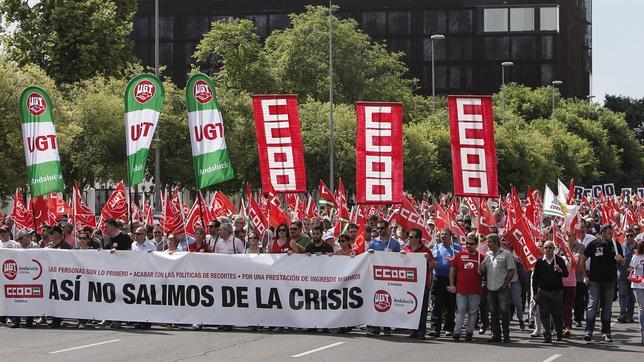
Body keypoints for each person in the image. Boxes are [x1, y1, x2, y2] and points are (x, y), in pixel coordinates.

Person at [580, 224, 624, 342]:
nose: (611, 234)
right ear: (603, 232)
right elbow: (582, 259)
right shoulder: (594, 244)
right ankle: (588, 331)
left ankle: (606, 332)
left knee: (607, 308)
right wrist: (584, 275)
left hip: (609, 281)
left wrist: (620, 260)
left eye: (612, 232)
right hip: (594, 281)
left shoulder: (615, 245)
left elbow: (622, 261)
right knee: (592, 305)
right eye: (609, 232)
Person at [479, 233, 515, 343]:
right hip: (490, 288)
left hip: (502, 288)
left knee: (504, 312)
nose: (487, 244)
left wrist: (505, 284)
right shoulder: (487, 255)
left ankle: (506, 335)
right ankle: (496, 335)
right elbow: (483, 270)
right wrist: (481, 268)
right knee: (493, 313)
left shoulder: (506, 254)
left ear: (495, 242)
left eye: (489, 242)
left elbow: (512, 270)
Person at [367, 220, 400, 336]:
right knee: (374, 301)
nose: (379, 231)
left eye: (381, 228)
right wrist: (368, 254)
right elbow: (365, 258)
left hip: (388, 277)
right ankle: (373, 326)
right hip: (375, 277)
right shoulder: (373, 243)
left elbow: (399, 261)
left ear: (387, 229)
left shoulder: (395, 244)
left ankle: (387, 326)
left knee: (387, 301)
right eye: (378, 229)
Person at [532, 241, 569, 343]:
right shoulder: (540, 262)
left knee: (557, 315)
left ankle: (558, 333)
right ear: (543, 249)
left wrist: (560, 270)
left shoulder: (559, 260)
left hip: (556, 292)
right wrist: (535, 293)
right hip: (543, 292)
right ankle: (547, 335)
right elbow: (535, 279)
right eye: (546, 248)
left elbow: (566, 274)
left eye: (550, 248)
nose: (548, 250)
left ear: (554, 249)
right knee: (544, 315)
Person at [449, 232, 483, 341]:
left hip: (475, 290)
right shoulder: (459, 255)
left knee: (472, 312)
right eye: (467, 243)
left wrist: (481, 271)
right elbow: (452, 270)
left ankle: (469, 332)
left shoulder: (481, 257)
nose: (468, 245)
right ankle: (457, 332)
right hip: (461, 289)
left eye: (471, 244)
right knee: (461, 311)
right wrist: (452, 284)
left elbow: (486, 273)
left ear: (476, 244)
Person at [428, 228, 460, 338]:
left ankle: (449, 328)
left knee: (450, 304)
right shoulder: (435, 248)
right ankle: (435, 328)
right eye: (441, 234)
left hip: (451, 280)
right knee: (437, 305)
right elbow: (430, 262)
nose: (443, 236)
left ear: (450, 236)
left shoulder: (457, 248)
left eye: (445, 234)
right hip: (438, 279)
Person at [405, 228, 436, 339]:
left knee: (422, 309)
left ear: (418, 239)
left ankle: (421, 331)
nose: (409, 238)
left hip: (422, 285)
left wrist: (429, 260)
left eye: (412, 237)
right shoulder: (406, 249)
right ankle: (412, 330)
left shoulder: (425, 250)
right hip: (408, 284)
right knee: (410, 307)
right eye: (409, 236)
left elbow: (434, 266)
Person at [617, 230, 637, 323]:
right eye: (627, 236)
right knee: (623, 294)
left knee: (632, 296)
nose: (629, 237)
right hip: (622, 274)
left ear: (634, 236)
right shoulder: (621, 247)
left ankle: (630, 315)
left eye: (631, 235)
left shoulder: (639, 247)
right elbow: (617, 259)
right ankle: (622, 314)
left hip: (634, 276)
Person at [569, 228, 587, 328]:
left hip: (577, 276)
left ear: (574, 236)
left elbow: (578, 258)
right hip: (567, 277)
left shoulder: (581, 246)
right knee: (567, 299)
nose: (567, 238)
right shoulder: (562, 246)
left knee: (578, 298)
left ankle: (578, 318)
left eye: (569, 236)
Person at [628, 239, 644, 344]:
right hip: (639, 286)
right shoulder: (636, 257)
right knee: (643, 309)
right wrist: (635, 271)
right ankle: (643, 332)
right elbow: (630, 269)